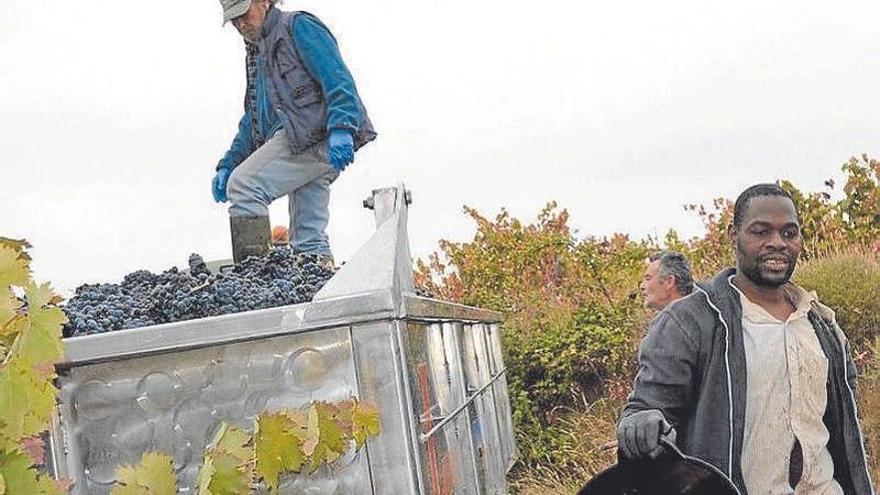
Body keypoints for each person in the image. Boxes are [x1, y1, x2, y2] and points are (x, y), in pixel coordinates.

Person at [618, 184, 874, 495]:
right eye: (761, 231)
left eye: (789, 233)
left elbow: (844, 433)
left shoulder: (823, 325)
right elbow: (648, 408)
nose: (777, 243)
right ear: (733, 235)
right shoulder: (691, 321)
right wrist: (643, 422)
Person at [212, 0, 376, 264]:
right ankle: (316, 284)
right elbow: (253, 118)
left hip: (319, 138)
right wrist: (228, 164)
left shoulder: (297, 27)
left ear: (264, 2)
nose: (240, 23)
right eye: (233, 19)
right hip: (300, 142)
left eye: (243, 13)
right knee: (308, 239)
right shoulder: (257, 53)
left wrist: (342, 128)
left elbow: (337, 78)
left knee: (244, 186)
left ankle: (255, 279)